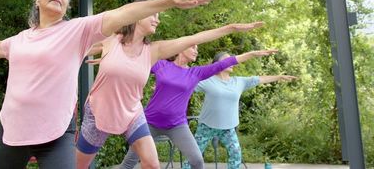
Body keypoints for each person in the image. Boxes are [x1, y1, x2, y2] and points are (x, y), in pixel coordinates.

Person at [0, 0, 215, 169]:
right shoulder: (19, 39)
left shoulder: (76, 31)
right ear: (37, 0)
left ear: (68, 4)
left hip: (56, 134)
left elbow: (123, 14)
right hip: (13, 130)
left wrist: (168, 1)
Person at [76, 10, 264, 169]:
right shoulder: (157, 62)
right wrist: (111, 59)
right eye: (153, 14)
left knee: (178, 162)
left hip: (162, 121)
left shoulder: (188, 69)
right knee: (113, 163)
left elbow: (211, 53)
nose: (157, 19)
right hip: (131, 117)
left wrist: (232, 30)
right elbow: (91, 51)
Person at [120, 47, 278, 169]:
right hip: (149, 123)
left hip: (177, 125)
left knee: (197, 161)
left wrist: (253, 54)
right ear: (181, 48)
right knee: (130, 161)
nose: (196, 49)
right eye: (193, 46)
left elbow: (226, 63)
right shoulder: (161, 65)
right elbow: (136, 65)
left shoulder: (195, 73)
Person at [183, 52, 297, 169]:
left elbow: (260, 79)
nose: (232, 61)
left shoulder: (239, 82)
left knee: (236, 155)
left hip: (228, 128)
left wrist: (279, 77)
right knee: (193, 157)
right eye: (228, 59)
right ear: (217, 64)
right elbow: (186, 80)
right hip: (207, 126)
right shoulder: (207, 81)